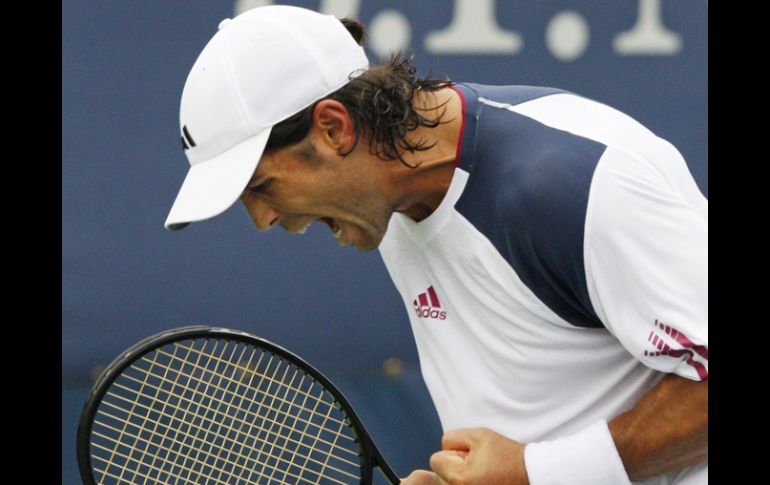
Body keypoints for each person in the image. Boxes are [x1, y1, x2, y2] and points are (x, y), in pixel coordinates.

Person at [165, 5, 707, 485]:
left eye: (261, 188)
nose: (264, 220)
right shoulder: (387, 200)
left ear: (333, 130)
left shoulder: (571, 187)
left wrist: (535, 473)